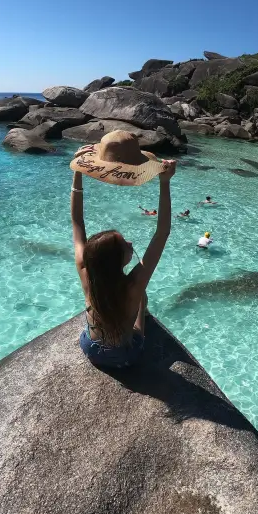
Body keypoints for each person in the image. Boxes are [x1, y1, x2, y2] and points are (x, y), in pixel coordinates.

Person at [70, 131, 176, 369]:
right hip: (123, 357)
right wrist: (165, 183)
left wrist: (78, 171)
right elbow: (162, 232)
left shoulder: (86, 271)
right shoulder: (133, 286)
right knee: (142, 300)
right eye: (125, 244)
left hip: (90, 348)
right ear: (118, 261)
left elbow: (77, 222)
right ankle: (141, 321)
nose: (130, 244)